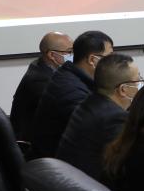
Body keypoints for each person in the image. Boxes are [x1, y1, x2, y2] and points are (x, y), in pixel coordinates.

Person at [56, 53, 140, 181]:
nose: (139, 86)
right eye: (138, 81)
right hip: (90, 188)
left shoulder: (89, 102)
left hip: (69, 180)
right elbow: (125, 166)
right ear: (123, 89)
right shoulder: (115, 118)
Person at [31, 30, 113, 158]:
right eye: (110, 57)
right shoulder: (71, 90)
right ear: (92, 60)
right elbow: (97, 131)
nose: (113, 63)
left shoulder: (69, 76)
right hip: (59, 162)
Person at [9, 31, 73, 142]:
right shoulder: (40, 80)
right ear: (51, 55)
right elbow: (66, 111)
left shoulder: (42, 65)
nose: (73, 55)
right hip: (31, 144)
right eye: (69, 52)